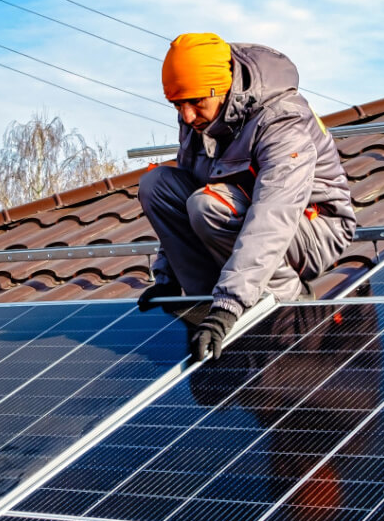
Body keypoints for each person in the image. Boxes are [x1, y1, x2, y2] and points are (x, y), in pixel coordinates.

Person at [137, 32, 357, 362]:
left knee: (208, 206)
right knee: (157, 185)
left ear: (223, 88)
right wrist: (167, 278)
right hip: (245, 214)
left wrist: (228, 306)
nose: (186, 116)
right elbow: (185, 187)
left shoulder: (280, 119)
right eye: (177, 105)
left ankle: (282, 304)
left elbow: (274, 215)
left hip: (314, 227)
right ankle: (204, 307)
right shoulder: (199, 117)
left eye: (196, 102)